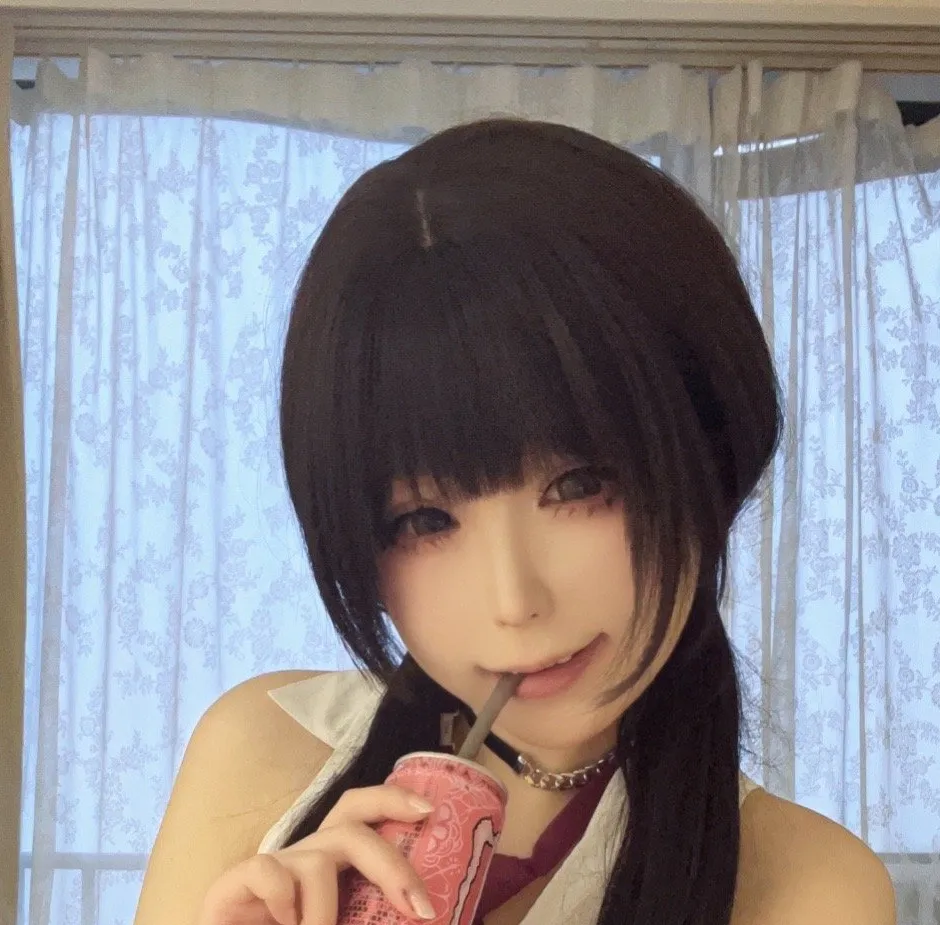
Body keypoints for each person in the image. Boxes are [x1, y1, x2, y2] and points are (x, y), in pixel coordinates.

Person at [133, 118, 896, 925]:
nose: (515, 600)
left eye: (580, 483)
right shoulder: (261, 750)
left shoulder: (806, 888)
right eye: (424, 518)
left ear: (708, 453)